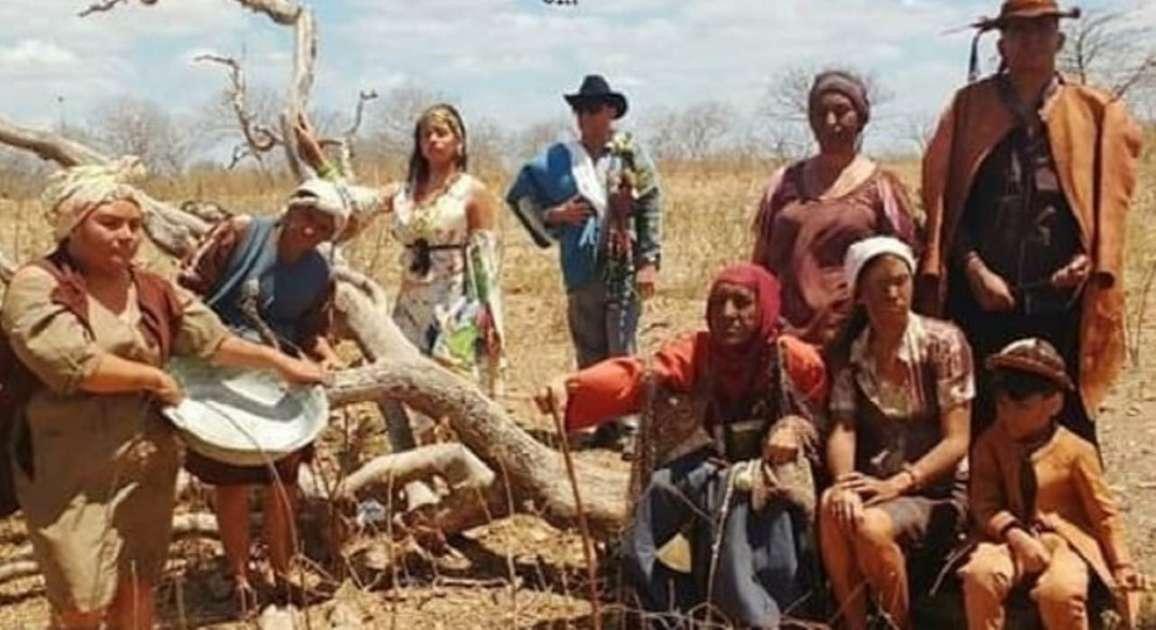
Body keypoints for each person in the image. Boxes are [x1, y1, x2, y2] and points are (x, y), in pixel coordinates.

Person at [0, 160, 324, 629]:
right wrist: (153, 380)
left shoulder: (150, 287)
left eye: (134, 225)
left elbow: (211, 340)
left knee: (138, 584)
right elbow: (75, 363)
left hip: (146, 463)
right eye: (109, 223)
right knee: (80, 600)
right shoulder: (40, 285)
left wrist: (282, 363)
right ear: (72, 225)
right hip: (66, 467)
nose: (126, 235)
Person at [536, 263, 827, 628]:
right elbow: (641, 377)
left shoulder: (793, 360)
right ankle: (658, 611)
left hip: (773, 477)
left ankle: (759, 619)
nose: (728, 314)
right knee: (657, 495)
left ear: (765, 306)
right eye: (719, 302)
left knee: (739, 516)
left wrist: (792, 429)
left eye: (742, 303)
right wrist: (573, 388)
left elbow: (821, 420)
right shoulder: (700, 351)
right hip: (713, 466)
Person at [918, 0, 1142, 445]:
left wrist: (1085, 260)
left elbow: (1110, 205)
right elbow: (945, 204)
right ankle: (982, 509)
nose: (1031, 41)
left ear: (1060, 40)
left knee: (1067, 419)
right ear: (1001, 44)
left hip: (1061, 303)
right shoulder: (968, 109)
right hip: (981, 300)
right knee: (982, 417)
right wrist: (975, 270)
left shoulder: (1095, 111)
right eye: (1019, 31)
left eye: (1043, 30)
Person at [295, 104, 506, 524]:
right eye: (426, 133)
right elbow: (354, 204)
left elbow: (486, 257)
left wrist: (490, 312)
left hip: (457, 303)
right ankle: (419, 479)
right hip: (410, 304)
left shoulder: (473, 192)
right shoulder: (404, 191)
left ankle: (473, 478)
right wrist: (317, 160)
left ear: (459, 141)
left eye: (442, 133)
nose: (433, 140)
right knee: (407, 388)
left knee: (453, 389)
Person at [177, 177, 350, 614]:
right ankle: (238, 575)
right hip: (215, 371)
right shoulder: (240, 233)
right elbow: (184, 292)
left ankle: (282, 570)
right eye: (308, 217)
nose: (311, 230)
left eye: (324, 227)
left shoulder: (319, 273)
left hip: (278, 381)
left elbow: (314, 331)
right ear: (292, 208)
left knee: (283, 480)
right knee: (231, 480)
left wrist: (325, 356)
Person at [819, 236, 972, 630]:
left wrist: (904, 481)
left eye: (900, 281)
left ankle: (895, 623)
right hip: (880, 480)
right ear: (859, 295)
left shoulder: (943, 343)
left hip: (938, 489)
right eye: (880, 285)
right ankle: (855, 623)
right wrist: (843, 484)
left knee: (870, 526)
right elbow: (843, 424)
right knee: (833, 510)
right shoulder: (850, 352)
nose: (893, 293)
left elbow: (957, 440)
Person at [508, 74, 663, 450]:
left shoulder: (630, 156)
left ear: (611, 111)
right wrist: (555, 216)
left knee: (622, 345)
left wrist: (649, 260)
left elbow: (651, 205)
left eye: (594, 109)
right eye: (580, 110)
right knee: (589, 346)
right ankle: (598, 421)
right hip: (579, 266)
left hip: (622, 264)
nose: (586, 117)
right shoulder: (559, 159)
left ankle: (627, 426)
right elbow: (521, 196)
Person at [957, 338, 1147, 630]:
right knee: (979, 575)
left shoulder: (1076, 451)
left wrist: (1122, 565)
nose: (1007, 414)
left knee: (1059, 593)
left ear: (1054, 404)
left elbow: (1104, 513)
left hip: (1064, 545)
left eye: (1021, 406)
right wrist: (1014, 534)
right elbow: (984, 503)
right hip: (1005, 540)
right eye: (1002, 404)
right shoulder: (990, 444)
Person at [751, 70, 918, 349]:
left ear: (861, 118)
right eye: (820, 113)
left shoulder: (882, 188)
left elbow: (901, 267)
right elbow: (761, 258)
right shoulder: (783, 183)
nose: (830, 122)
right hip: (784, 336)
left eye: (841, 112)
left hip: (852, 338)